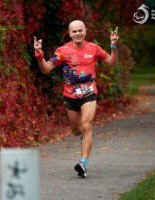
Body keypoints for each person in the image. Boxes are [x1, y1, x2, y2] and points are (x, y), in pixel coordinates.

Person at [34, 20, 118, 177]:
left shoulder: (94, 48)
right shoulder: (63, 51)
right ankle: (84, 137)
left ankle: (83, 163)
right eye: (74, 31)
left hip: (89, 93)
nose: (78, 33)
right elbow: (46, 69)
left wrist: (113, 46)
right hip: (70, 95)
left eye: (80, 30)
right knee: (76, 130)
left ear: (85, 31)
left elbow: (113, 62)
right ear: (69, 33)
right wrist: (39, 55)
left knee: (87, 125)